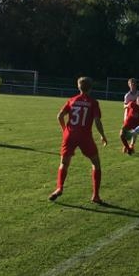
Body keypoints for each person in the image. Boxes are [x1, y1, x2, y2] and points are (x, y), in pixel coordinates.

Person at [49, 76, 108, 204]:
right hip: (85, 136)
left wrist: (64, 130)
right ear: (90, 88)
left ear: (78, 87)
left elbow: (59, 116)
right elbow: (97, 121)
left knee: (64, 163)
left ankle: (59, 187)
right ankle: (95, 196)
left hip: (70, 135)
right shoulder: (93, 102)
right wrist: (103, 135)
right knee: (96, 164)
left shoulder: (72, 100)